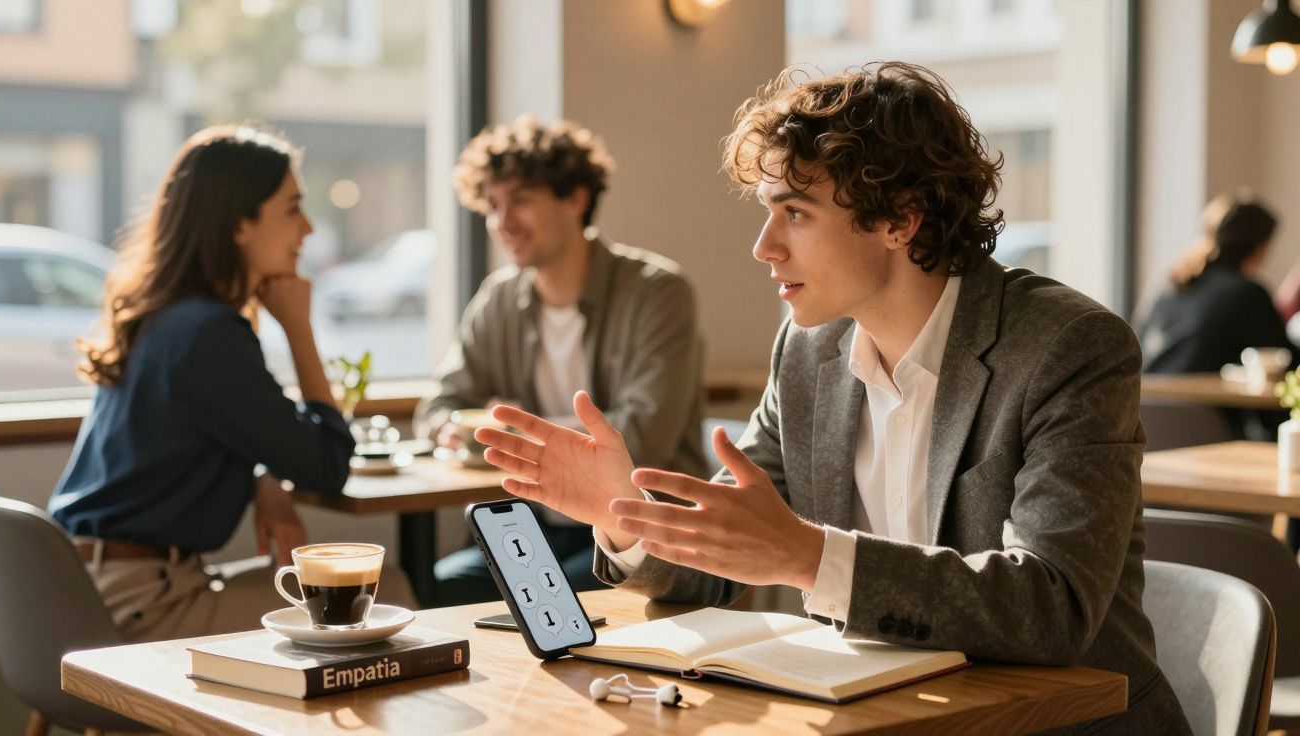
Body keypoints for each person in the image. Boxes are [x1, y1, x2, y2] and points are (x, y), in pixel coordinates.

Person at [475, 64, 1188, 732]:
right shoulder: (809, 352)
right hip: (886, 718)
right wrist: (623, 515)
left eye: (796, 213)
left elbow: (1052, 607)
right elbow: (724, 556)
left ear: (899, 221)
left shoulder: (1068, 347)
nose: (764, 247)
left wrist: (812, 559)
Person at [49, 125, 414, 642]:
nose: (308, 229)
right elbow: (329, 463)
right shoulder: (210, 334)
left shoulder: (167, 317)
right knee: (387, 593)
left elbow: (198, 434)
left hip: (82, 592)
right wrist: (299, 328)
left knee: (353, 597)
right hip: (144, 606)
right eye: (292, 209)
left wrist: (261, 478)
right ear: (239, 224)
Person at [413, 115, 706, 606]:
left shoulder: (657, 292)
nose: (503, 222)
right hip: (533, 523)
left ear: (575, 199)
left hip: (639, 529)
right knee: (446, 584)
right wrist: (451, 427)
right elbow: (438, 405)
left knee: (557, 595)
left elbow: (643, 433)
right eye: (492, 205)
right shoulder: (499, 299)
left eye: (521, 200)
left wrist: (518, 433)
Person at [1138, 191, 1295, 440]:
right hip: (1202, 428)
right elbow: (1289, 364)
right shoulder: (1246, 293)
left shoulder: (1174, 286)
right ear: (1261, 248)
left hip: (1147, 426)